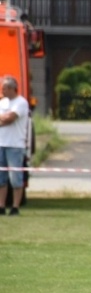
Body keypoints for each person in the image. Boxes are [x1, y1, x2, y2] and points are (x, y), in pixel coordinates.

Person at [0, 77, 31, 216]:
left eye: (4, 88)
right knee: (1, 178)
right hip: (1, 143)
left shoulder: (21, 103)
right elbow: (5, 119)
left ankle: (15, 207)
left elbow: (10, 119)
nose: (2, 90)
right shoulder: (2, 102)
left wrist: (5, 117)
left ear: (12, 88)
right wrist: (4, 118)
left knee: (15, 177)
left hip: (15, 145)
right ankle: (1, 206)